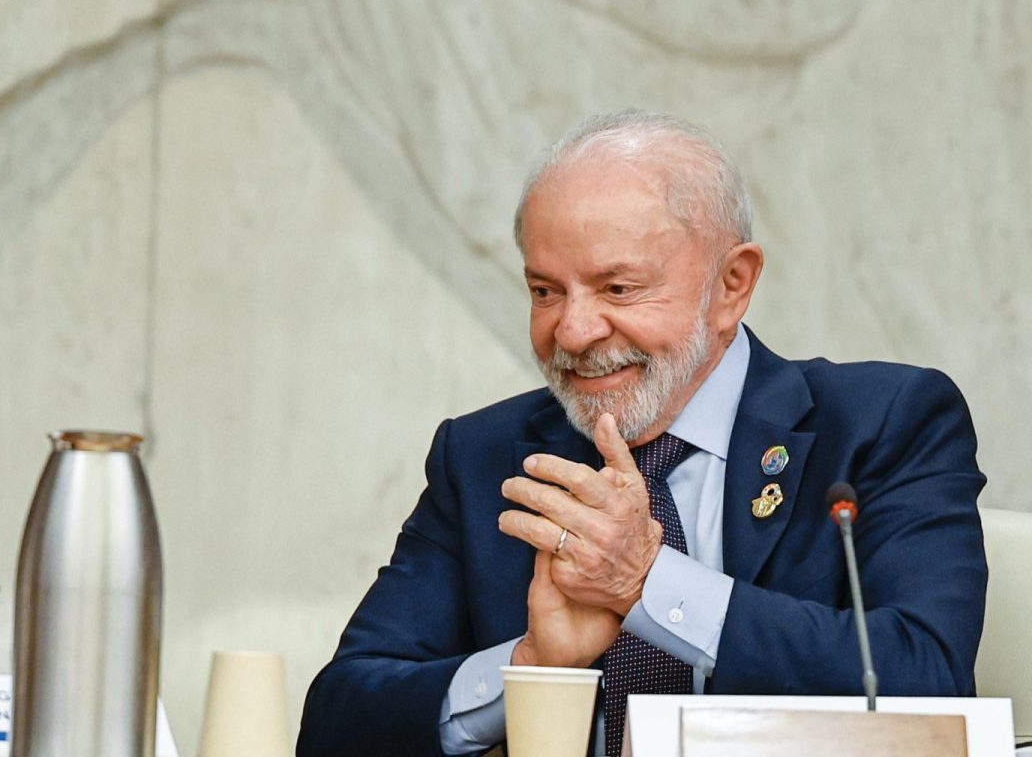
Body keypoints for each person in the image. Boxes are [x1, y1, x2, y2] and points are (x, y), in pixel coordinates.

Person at [297, 110, 986, 757]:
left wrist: (648, 584)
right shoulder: (484, 457)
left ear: (731, 285)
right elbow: (335, 720)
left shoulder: (880, 422)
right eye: (545, 291)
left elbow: (926, 682)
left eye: (617, 289)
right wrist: (531, 669)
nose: (572, 332)